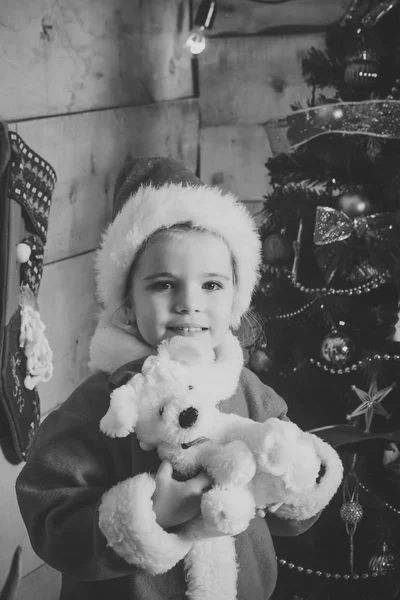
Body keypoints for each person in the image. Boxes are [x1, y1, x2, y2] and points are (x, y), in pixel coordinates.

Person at [16, 158, 336, 600]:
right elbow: (48, 512)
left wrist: (296, 479)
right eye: (164, 284)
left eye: (211, 285)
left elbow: (290, 515)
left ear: (236, 298)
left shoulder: (246, 390)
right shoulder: (100, 405)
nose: (189, 303)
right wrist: (149, 515)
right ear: (128, 303)